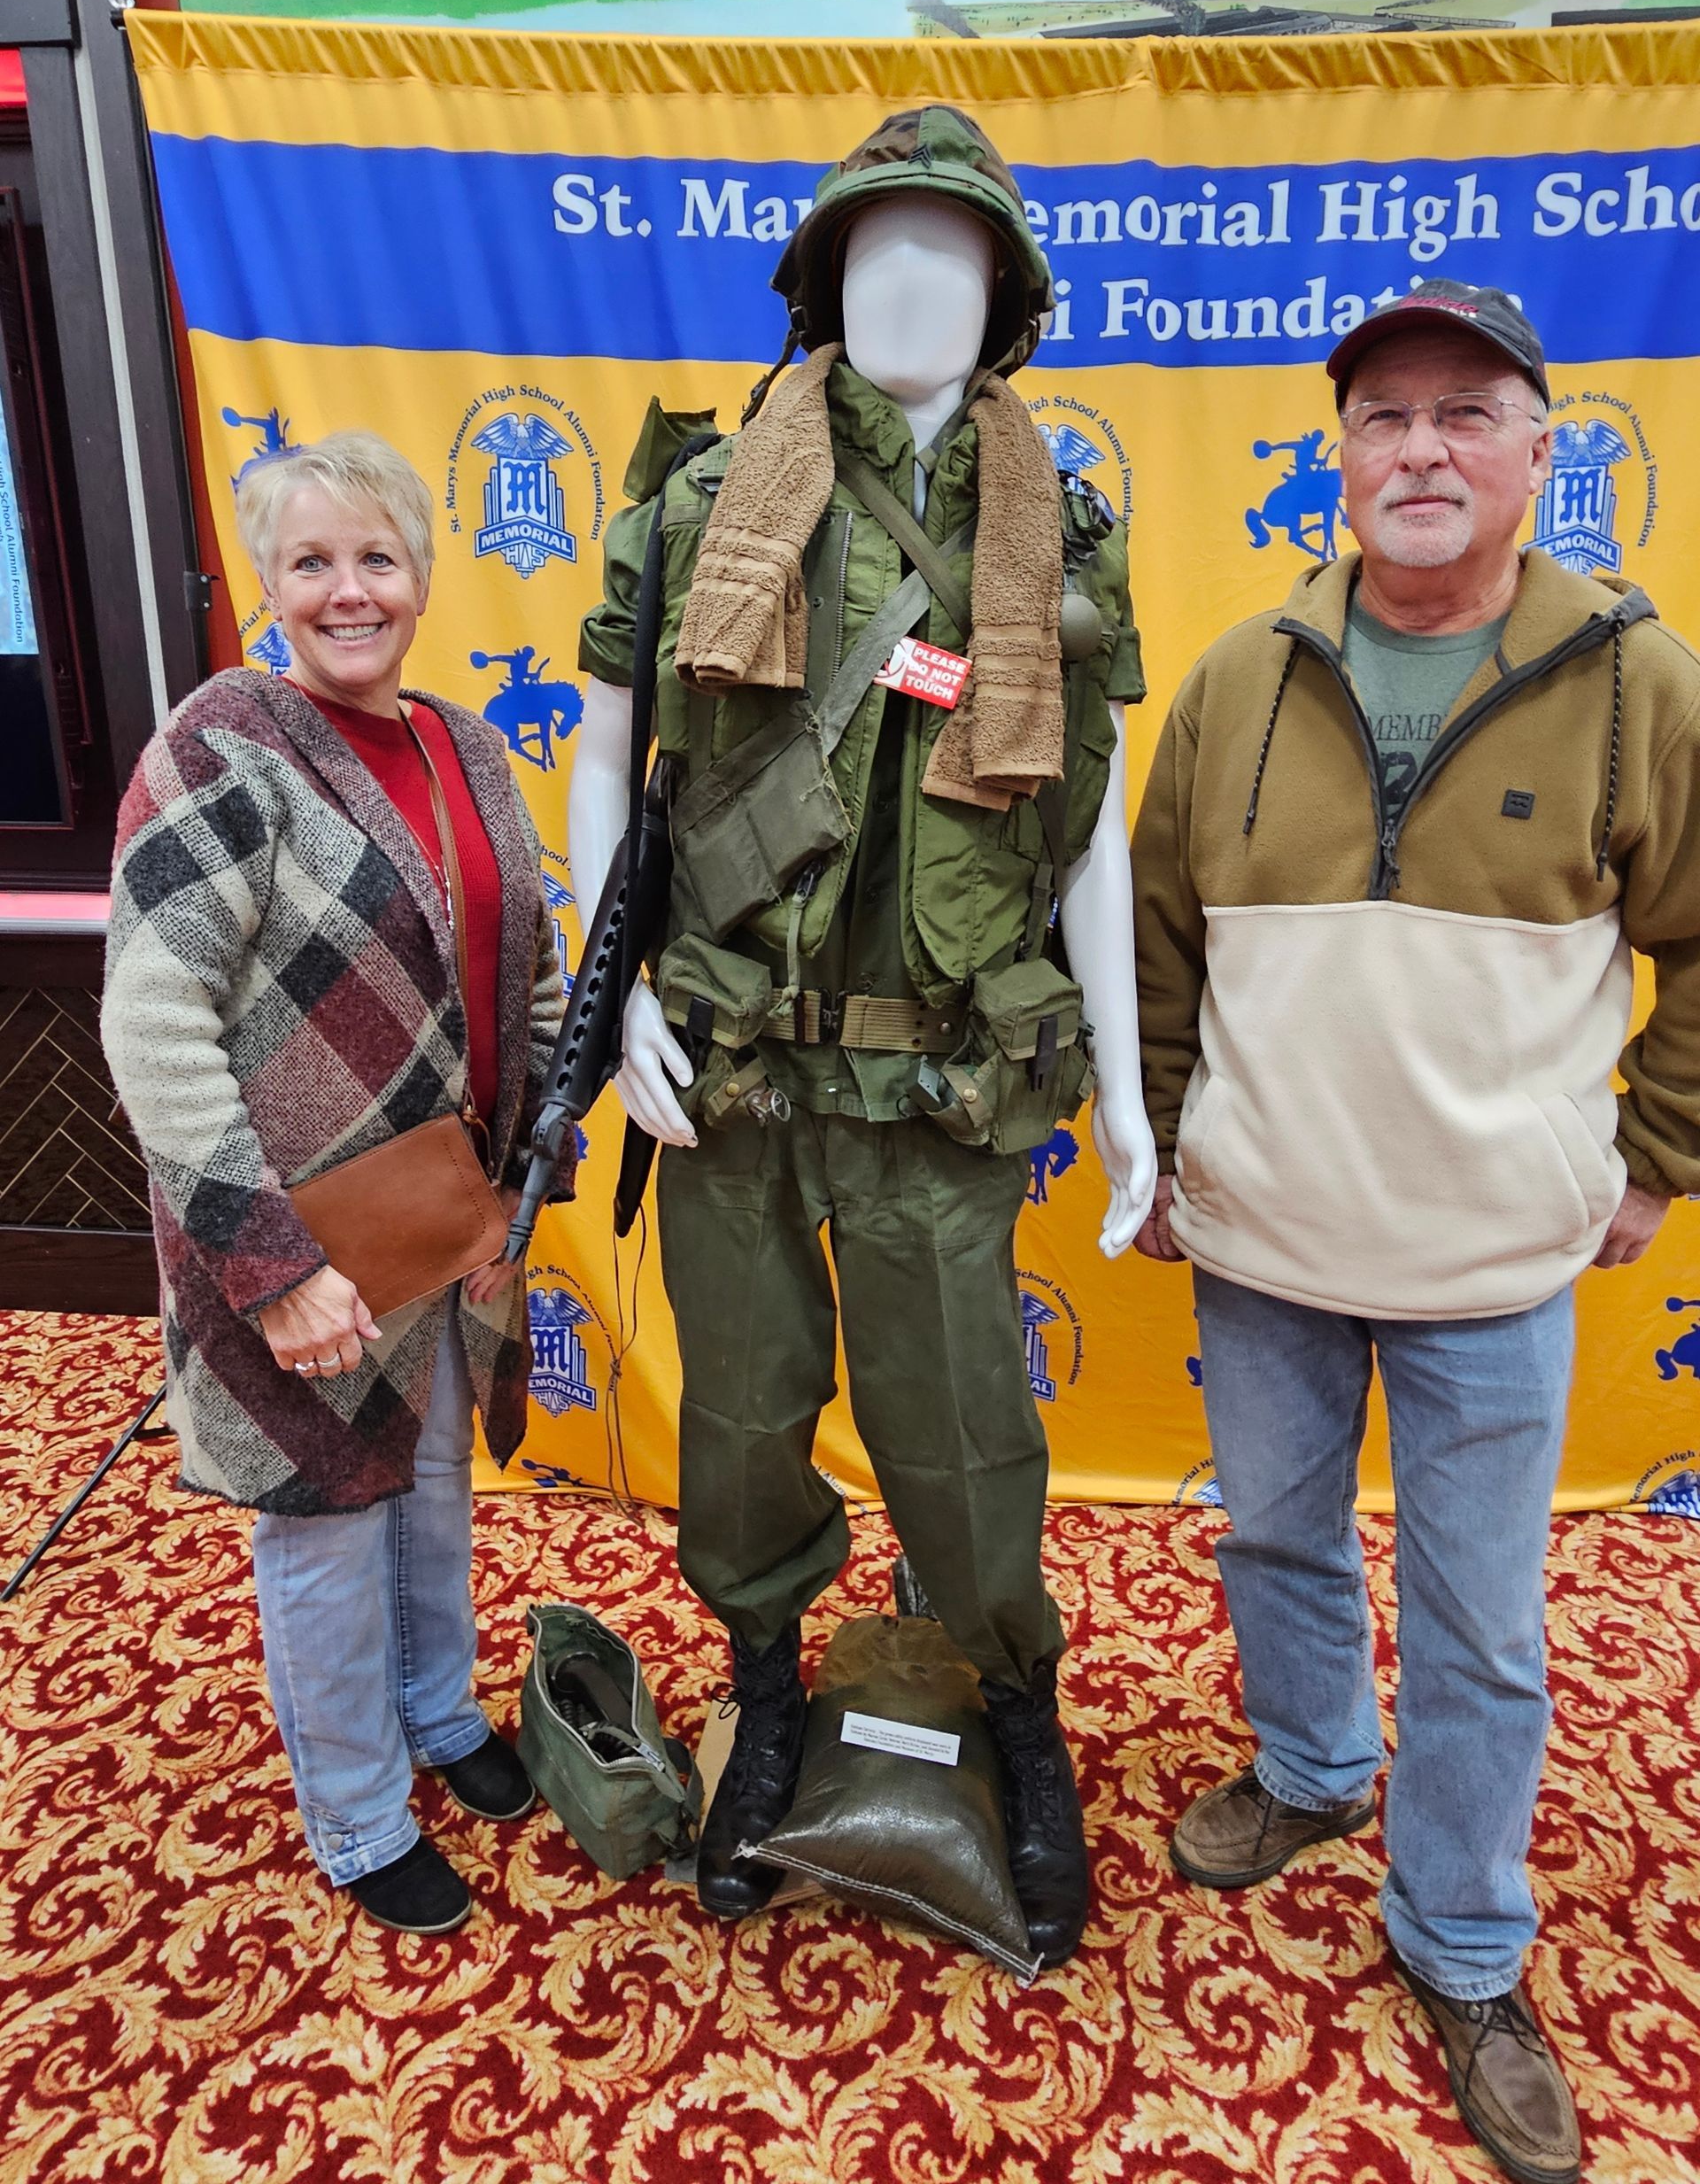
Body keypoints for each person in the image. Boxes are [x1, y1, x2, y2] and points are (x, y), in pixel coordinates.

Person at [573, 107, 1155, 1968]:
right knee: (741, 1423)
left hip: (941, 1078)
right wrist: (608, 1013)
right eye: (877, 249)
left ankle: (1012, 1709)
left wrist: (1131, 1090)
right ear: (822, 285)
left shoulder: (1056, 531)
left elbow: (1090, 826)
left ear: (1005, 300)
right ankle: (762, 1690)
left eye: (956, 252)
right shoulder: (698, 504)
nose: (914, 280)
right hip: (733, 1062)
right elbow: (608, 759)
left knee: (964, 1431)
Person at [1132, 280, 1700, 2184]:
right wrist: (1156, 1140)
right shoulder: (1236, 675)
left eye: (1468, 413)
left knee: (1482, 1619)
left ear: (1544, 449)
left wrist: (1654, 1156)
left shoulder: (1639, 678)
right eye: (1384, 415)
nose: (1423, 449)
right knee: (1278, 1531)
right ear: (1341, 456)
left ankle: (1462, 1939)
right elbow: (1155, 940)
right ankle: (1307, 1768)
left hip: (1490, 1260)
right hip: (1266, 1232)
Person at [103, 431, 567, 1937]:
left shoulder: (462, 744)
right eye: (313, 562)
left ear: (422, 577)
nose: (347, 591)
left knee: (430, 1487)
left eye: (376, 559)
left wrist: (522, 1192)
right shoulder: (217, 748)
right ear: (267, 583)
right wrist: (269, 1261)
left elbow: (533, 974)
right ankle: (359, 1812)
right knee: (323, 1520)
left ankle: (438, 1718)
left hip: (442, 1217)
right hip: (298, 1240)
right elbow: (152, 1019)